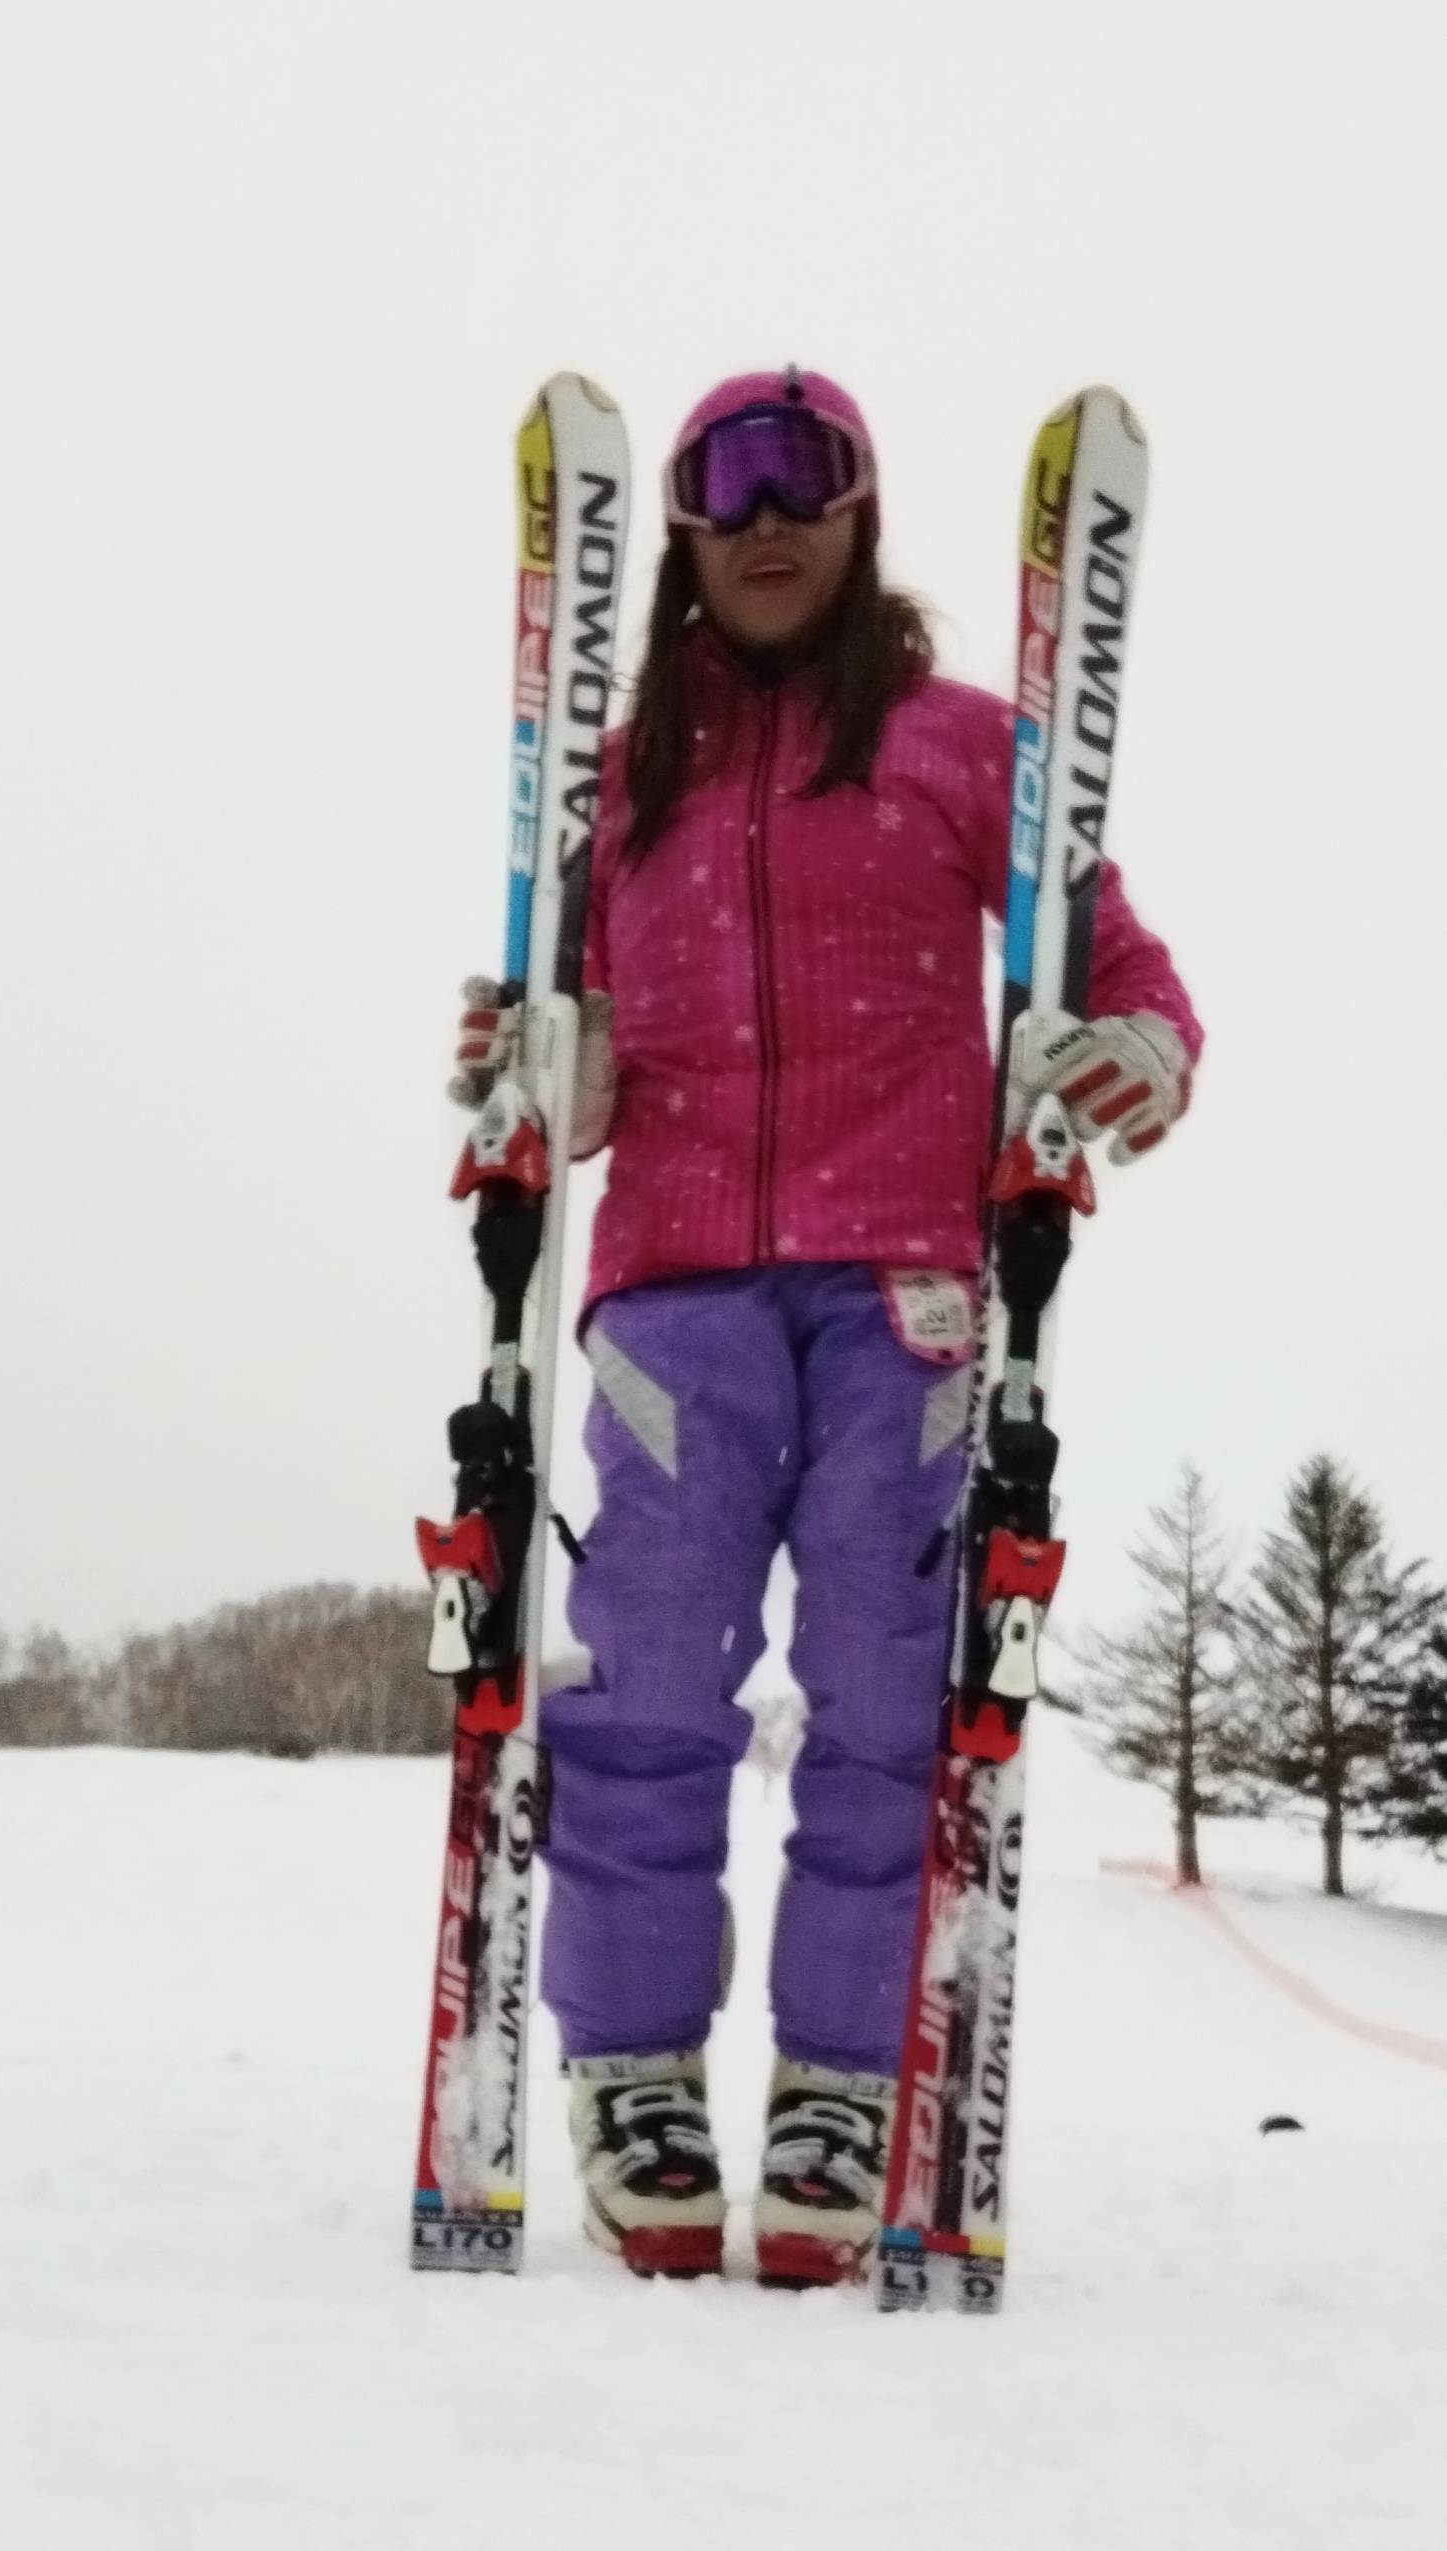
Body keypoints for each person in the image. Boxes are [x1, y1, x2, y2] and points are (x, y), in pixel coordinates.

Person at [454, 366, 1202, 2286]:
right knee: (650, 1678)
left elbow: (1117, 964)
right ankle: (634, 2062)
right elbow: (567, 1030)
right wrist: (539, 1062)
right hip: (675, 1285)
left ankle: (845, 2082)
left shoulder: (960, 748)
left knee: (883, 1691)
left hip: (907, 1290)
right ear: (682, 530)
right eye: (731, 484)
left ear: (862, 512)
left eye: (808, 477)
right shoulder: (623, 786)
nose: (769, 515)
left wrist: (1133, 1046)